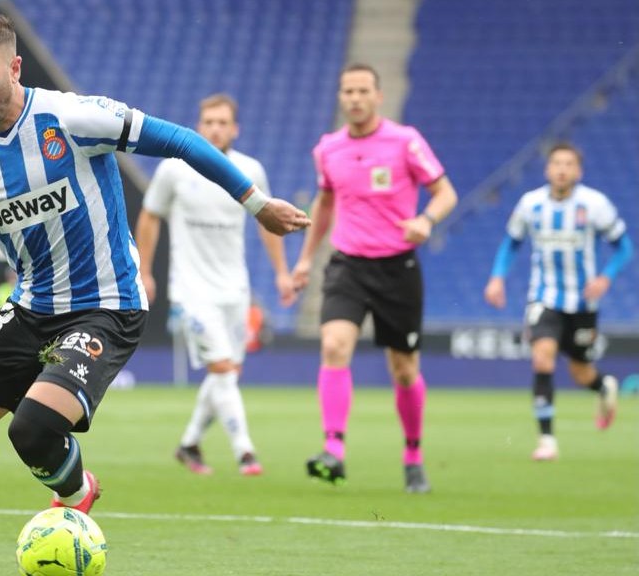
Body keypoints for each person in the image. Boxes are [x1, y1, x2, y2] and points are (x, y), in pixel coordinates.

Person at [0, 10, 310, 576]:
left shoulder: (70, 116)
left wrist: (257, 203)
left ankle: (79, 489)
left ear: (14, 66)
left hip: (106, 306)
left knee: (34, 429)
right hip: (31, 307)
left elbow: (179, 139)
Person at [291, 63, 458, 494]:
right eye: (347, 90)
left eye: (363, 90)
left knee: (403, 370)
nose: (354, 98)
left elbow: (445, 192)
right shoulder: (328, 149)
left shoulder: (405, 141)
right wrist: (307, 259)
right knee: (334, 345)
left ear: (378, 96)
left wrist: (425, 220)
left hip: (397, 267)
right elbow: (326, 202)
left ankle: (414, 456)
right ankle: (334, 449)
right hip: (348, 264)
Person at [135, 93, 294, 477]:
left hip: (234, 289)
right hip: (191, 291)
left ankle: (189, 444)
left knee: (227, 374)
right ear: (199, 125)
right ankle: (246, 452)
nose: (216, 128)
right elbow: (150, 217)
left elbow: (267, 221)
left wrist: (281, 272)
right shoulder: (174, 171)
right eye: (209, 121)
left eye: (223, 122)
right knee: (222, 370)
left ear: (235, 129)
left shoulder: (250, 171)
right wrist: (144, 269)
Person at [483, 143, 633, 461]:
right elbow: (512, 243)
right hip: (544, 297)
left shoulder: (595, 204)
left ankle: (604, 385)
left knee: (581, 372)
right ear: (547, 169)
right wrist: (497, 277)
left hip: (582, 305)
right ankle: (547, 440)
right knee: (543, 358)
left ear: (578, 171)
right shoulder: (531, 204)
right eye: (556, 163)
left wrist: (605, 277)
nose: (562, 169)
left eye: (568, 164)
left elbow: (624, 247)